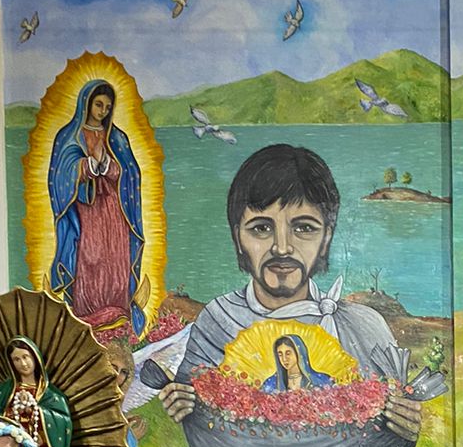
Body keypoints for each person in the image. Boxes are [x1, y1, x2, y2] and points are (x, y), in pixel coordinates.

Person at [158, 145, 401, 422]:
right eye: (261, 228)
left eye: (304, 228)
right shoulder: (218, 320)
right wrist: (181, 404)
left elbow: (393, 419)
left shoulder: (364, 325)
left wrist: (404, 419)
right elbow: (193, 420)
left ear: (327, 238)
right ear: (238, 237)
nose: (282, 248)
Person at [48, 79, 145, 336]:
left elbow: (131, 173)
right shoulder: (70, 136)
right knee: (90, 257)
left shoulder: (117, 137)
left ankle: (117, 316)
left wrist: (111, 168)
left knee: (115, 258)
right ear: (86, 104)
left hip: (114, 209)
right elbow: (59, 174)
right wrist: (84, 167)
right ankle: (88, 317)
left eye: (107, 106)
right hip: (86, 209)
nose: (102, 111)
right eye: (98, 104)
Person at [262, 332, 334, 393]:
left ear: (299, 353)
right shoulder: (270, 384)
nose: (284, 359)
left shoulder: (321, 380)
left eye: (288, 353)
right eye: (280, 354)